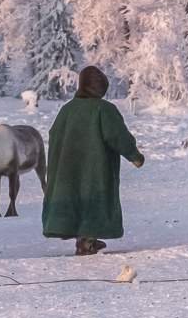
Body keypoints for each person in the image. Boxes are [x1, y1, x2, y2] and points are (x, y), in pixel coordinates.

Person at [43, 66, 146, 256]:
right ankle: (87, 241)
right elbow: (118, 136)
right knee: (93, 199)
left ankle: (84, 239)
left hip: (67, 171)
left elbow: (54, 134)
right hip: (94, 169)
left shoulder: (67, 110)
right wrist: (135, 156)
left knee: (76, 201)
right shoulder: (103, 109)